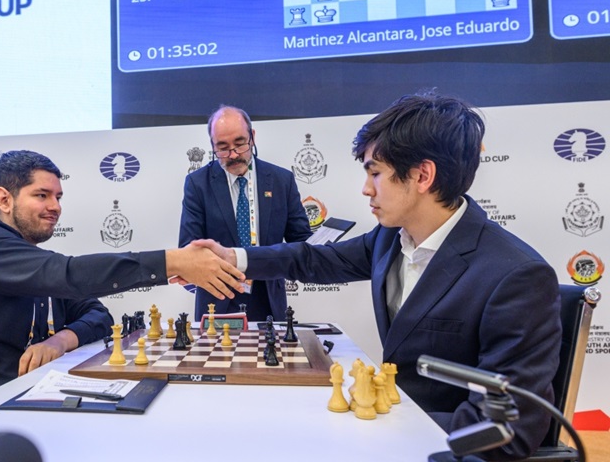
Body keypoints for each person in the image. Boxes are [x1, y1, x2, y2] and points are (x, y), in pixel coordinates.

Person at [196, 92, 561, 461]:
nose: (366, 188)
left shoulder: (516, 277)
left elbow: (505, 430)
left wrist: (384, 421)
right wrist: (234, 257)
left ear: (422, 175)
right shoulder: (390, 238)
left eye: (375, 173)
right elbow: (315, 259)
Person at [0, 150, 244, 424]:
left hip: (15, 401)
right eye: (41, 195)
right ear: (4, 199)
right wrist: (173, 262)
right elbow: (70, 275)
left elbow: (97, 314)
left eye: (58, 196)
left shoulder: (29, 263)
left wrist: (60, 340)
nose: (55, 206)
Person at [179, 105, 312, 322]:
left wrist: (323, 245)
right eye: (223, 148)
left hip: (268, 297)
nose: (233, 155)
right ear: (212, 145)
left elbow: (301, 240)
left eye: (240, 144)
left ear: (253, 137)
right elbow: (189, 247)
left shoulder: (281, 180)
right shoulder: (198, 184)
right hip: (218, 300)